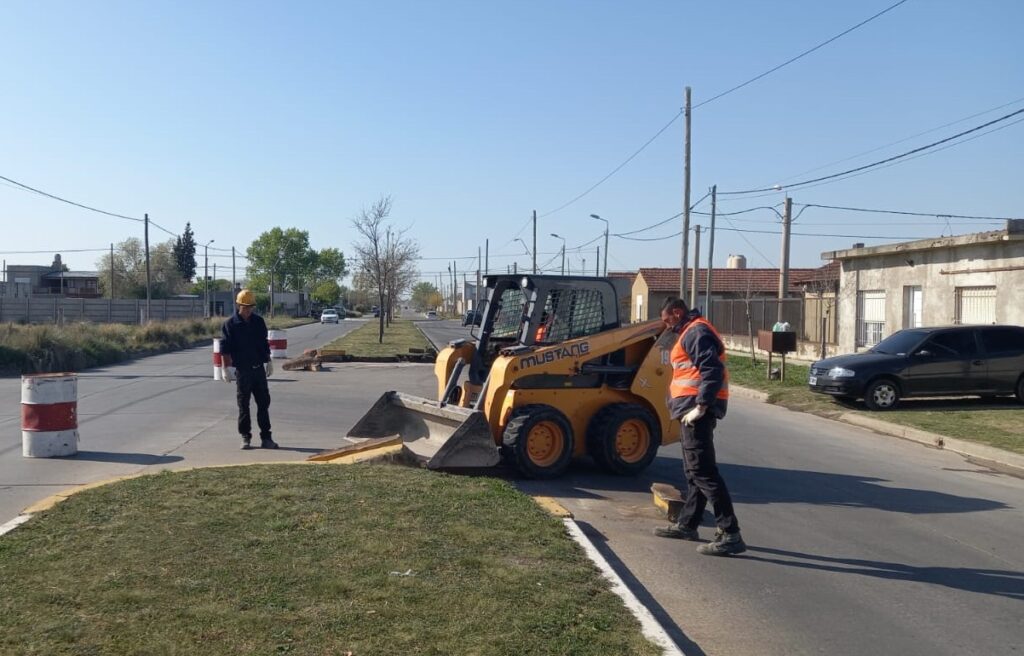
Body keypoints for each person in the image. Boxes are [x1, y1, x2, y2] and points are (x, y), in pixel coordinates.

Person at [654, 297, 745, 556]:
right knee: (693, 471)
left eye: (668, 320)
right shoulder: (690, 331)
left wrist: (701, 406)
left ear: (677, 312)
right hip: (691, 410)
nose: (667, 326)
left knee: (703, 471)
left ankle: (730, 533)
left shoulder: (695, 332)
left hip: (697, 411)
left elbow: (711, 369)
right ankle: (688, 524)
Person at [220, 289, 278, 450]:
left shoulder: (258, 322)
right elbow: (225, 349)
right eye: (245, 306)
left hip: (258, 370)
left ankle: (266, 438)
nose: (248, 310)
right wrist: (225, 369)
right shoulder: (230, 325)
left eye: (250, 306)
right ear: (239, 305)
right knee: (243, 405)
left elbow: (263, 343)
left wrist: (268, 360)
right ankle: (245, 437)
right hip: (243, 371)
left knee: (263, 404)